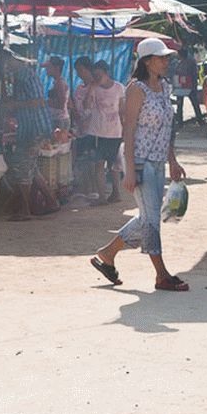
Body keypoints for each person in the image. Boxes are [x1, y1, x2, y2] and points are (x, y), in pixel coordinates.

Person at [89, 39, 188, 291]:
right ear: (147, 61)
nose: (166, 61)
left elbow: (166, 128)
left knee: (148, 217)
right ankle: (161, 274)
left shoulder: (164, 87)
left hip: (158, 161)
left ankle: (107, 254)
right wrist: (130, 169)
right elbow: (129, 129)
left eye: (167, 57)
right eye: (161, 57)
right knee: (152, 219)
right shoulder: (136, 89)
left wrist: (172, 160)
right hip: (140, 161)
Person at [1, 52, 54, 221]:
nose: (5, 65)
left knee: (22, 166)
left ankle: (25, 209)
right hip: (29, 127)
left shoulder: (26, 75)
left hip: (34, 127)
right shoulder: (19, 76)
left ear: (13, 59)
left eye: (6, 61)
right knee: (31, 167)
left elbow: (38, 101)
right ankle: (51, 201)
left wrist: (15, 104)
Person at [86, 60, 125, 204]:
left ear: (106, 73)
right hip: (98, 131)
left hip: (114, 132)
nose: (97, 78)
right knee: (99, 164)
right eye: (94, 75)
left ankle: (116, 193)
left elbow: (122, 111)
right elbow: (86, 106)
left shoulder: (119, 88)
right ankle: (102, 196)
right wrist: (91, 89)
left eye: (99, 75)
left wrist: (125, 131)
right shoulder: (94, 88)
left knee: (114, 165)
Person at [71, 56, 97, 196]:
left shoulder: (96, 87)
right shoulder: (79, 88)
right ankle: (86, 189)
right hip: (80, 127)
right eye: (77, 71)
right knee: (83, 160)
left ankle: (93, 188)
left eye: (80, 70)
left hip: (92, 128)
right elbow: (76, 108)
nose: (78, 73)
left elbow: (91, 107)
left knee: (92, 159)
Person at [174, 47, 205, 126]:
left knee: (191, 103)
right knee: (188, 104)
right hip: (182, 86)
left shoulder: (188, 61)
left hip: (187, 85)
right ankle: (182, 121)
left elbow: (193, 74)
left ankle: (181, 121)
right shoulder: (183, 61)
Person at [41, 56, 70, 131]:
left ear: (56, 68)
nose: (46, 70)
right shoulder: (57, 82)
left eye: (49, 67)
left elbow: (61, 104)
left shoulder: (60, 83)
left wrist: (44, 103)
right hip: (57, 119)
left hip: (59, 120)